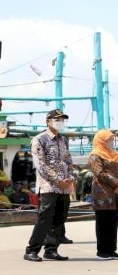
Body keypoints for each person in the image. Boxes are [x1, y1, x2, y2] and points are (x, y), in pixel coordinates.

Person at [23, 109, 74, 262]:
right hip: (48, 186)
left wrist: (70, 178)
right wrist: (58, 180)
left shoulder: (63, 140)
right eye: (57, 119)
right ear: (48, 121)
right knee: (44, 219)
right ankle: (31, 250)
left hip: (64, 187)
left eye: (62, 120)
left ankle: (51, 250)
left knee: (60, 218)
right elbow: (40, 165)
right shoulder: (39, 140)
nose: (60, 122)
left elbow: (68, 161)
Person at [89, 129, 118, 260]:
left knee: (113, 222)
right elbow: (100, 173)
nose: (111, 142)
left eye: (112, 139)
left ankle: (112, 249)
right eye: (108, 140)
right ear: (101, 141)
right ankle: (102, 251)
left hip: (115, 194)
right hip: (102, 194)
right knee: (103, 222)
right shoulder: (95, 155)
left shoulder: (115, 155)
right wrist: (117, 182)